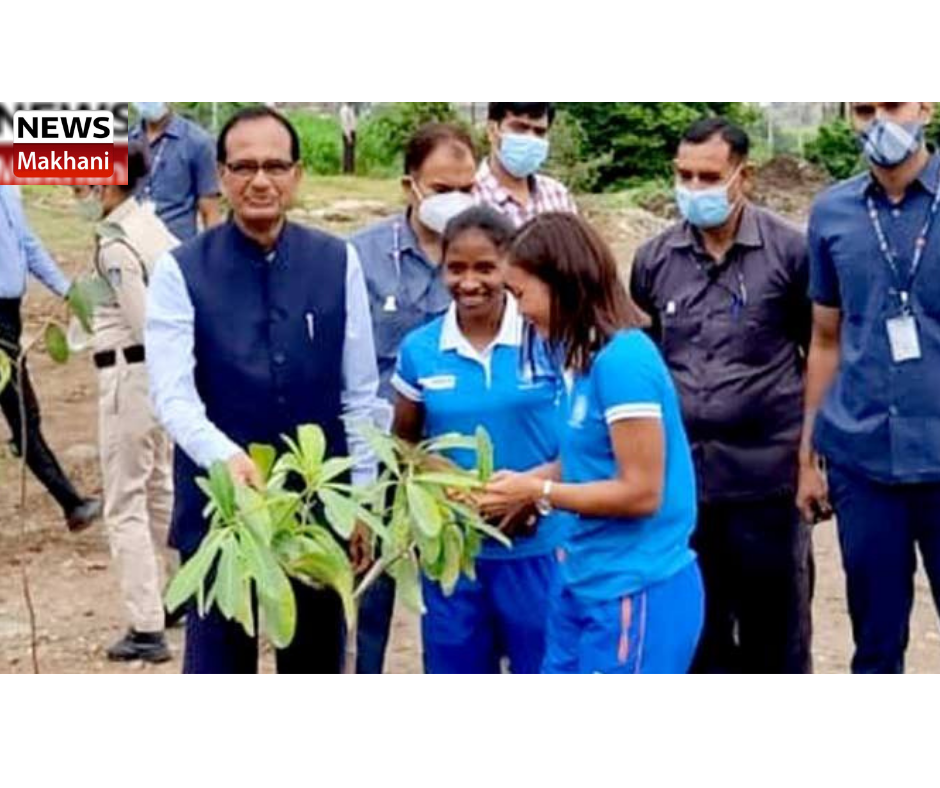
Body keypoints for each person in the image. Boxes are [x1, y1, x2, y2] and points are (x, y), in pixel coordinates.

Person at [145, 106, 379, 673]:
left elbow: (359, 393)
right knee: (218, 668)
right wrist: (225, 457)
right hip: (221, 516)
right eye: (244, 166)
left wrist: (361, 506)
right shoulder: (180, 270)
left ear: (297, 174)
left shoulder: (336, 260)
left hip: (317, 512)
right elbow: (173, 397)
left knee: (317, 666)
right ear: (221, 176)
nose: (260, 180)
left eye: (275, 165)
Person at [482, 212, 703, 674]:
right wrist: (515, 485)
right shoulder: (577, 357)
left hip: (633, 587)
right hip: (583, 578)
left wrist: (537, 494)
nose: (517, 311)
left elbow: (641, 492)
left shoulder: (624, 362)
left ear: (563, 281)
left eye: (521, 295)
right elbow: (584, 460)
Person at [630, 117, 813, 674]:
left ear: (743, 176)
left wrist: (812, 461)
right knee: (696, 634)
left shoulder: (790, 253)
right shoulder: (654, 260)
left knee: (774, 635)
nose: (693, 188)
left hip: (767, 483)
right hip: (684, 487)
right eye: (683, 175)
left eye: (708, 177)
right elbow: (646, 362)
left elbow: (821, 353)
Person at [392, 205, 567, 673]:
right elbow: (404, 444)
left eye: (486, 268)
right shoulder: (421, 349)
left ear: (509, 266)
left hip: (540, 548)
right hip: (455, 557)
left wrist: (532, 493)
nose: (470, 282)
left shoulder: (544, 336)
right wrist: (444, 483)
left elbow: (585, 441)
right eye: (457, 268)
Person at [800, 102, 940, 673]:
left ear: (925, 106)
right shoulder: (831, 213)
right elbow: (825, 338)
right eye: (863, 108)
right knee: (877, 645)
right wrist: (808, 458)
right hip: (863, 462)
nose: (878, 120)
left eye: (892, 104)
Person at [349, 122, 476, 673]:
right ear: (411, 186)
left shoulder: (484, 258)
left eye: (467, 189)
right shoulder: (360, 257)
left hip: (458, 460)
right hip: (381, 458)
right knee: (368, 591)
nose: (456, 202)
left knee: (456, 596)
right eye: (443, 189)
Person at [79, 141, 179, 663]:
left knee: (124, 502)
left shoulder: (116, 243)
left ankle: (147, 624)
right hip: (156, 380)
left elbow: (142, 320)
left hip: (130, 374)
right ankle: (183, 593)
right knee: (160, 485)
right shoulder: (149, 225)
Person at [0, 185, 101, 532]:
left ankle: (70, 502)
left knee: (25, 412)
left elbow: (27, 243)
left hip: (10, 315)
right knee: (22, 414)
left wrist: (67, 290)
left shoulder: (9, 187)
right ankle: (71, 503)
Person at [129, 103, 222, 242]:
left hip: (176, 252)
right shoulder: (125, 140)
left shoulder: (198, 142)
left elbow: (210, 213)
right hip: (130, 248)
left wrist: (213, 256)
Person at [474, 103, 577, 228]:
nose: (531, 138)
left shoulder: (557, 195)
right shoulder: (471, 197)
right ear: (492, 130)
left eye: (539, 132)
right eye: (519, 128)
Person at [340, 103, 357, 175]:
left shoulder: (351, 109)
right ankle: (347, 170)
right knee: (347, 152)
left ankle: (351, 170)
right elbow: (345, 124)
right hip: (348, 133)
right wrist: (348, 136)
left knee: (351, 152)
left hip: (352, 132)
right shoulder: (344, 110)